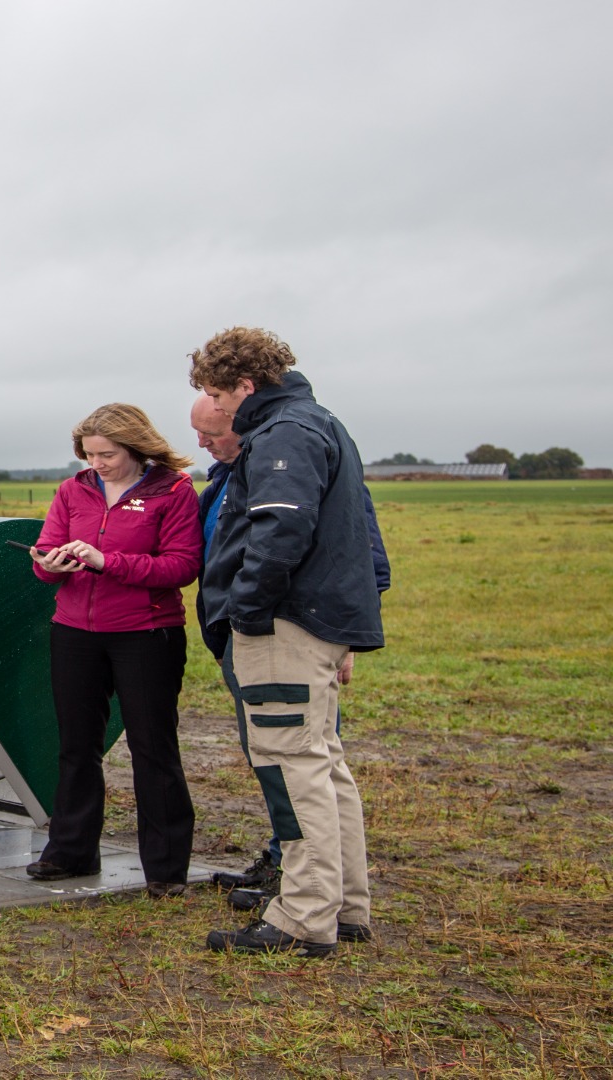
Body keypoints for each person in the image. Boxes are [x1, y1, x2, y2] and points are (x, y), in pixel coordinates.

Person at [192, 327, 383, 958]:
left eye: (218, 394)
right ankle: (343, 905)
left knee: (291, 767)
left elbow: (280, 530)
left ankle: (303, 916)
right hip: (318, 620)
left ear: (245, 385)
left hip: (285, 625)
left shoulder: (283, 433)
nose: (217, 407)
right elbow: (361, 533)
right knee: (324, 763)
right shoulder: (321, 423)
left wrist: (246, 611)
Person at [23, 403, 202, 898]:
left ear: (136, 448)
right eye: (89, 454)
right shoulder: (72, 490)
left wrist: (108, 562)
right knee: (76, 746)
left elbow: (182, 566)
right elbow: (45, 555)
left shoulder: (174, 492)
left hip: (147, 634)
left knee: (153, 748)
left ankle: (165, 869)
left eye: (107, 455)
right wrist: (49, 563)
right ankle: (70, 852)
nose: (96, 464)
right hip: (74, 631)